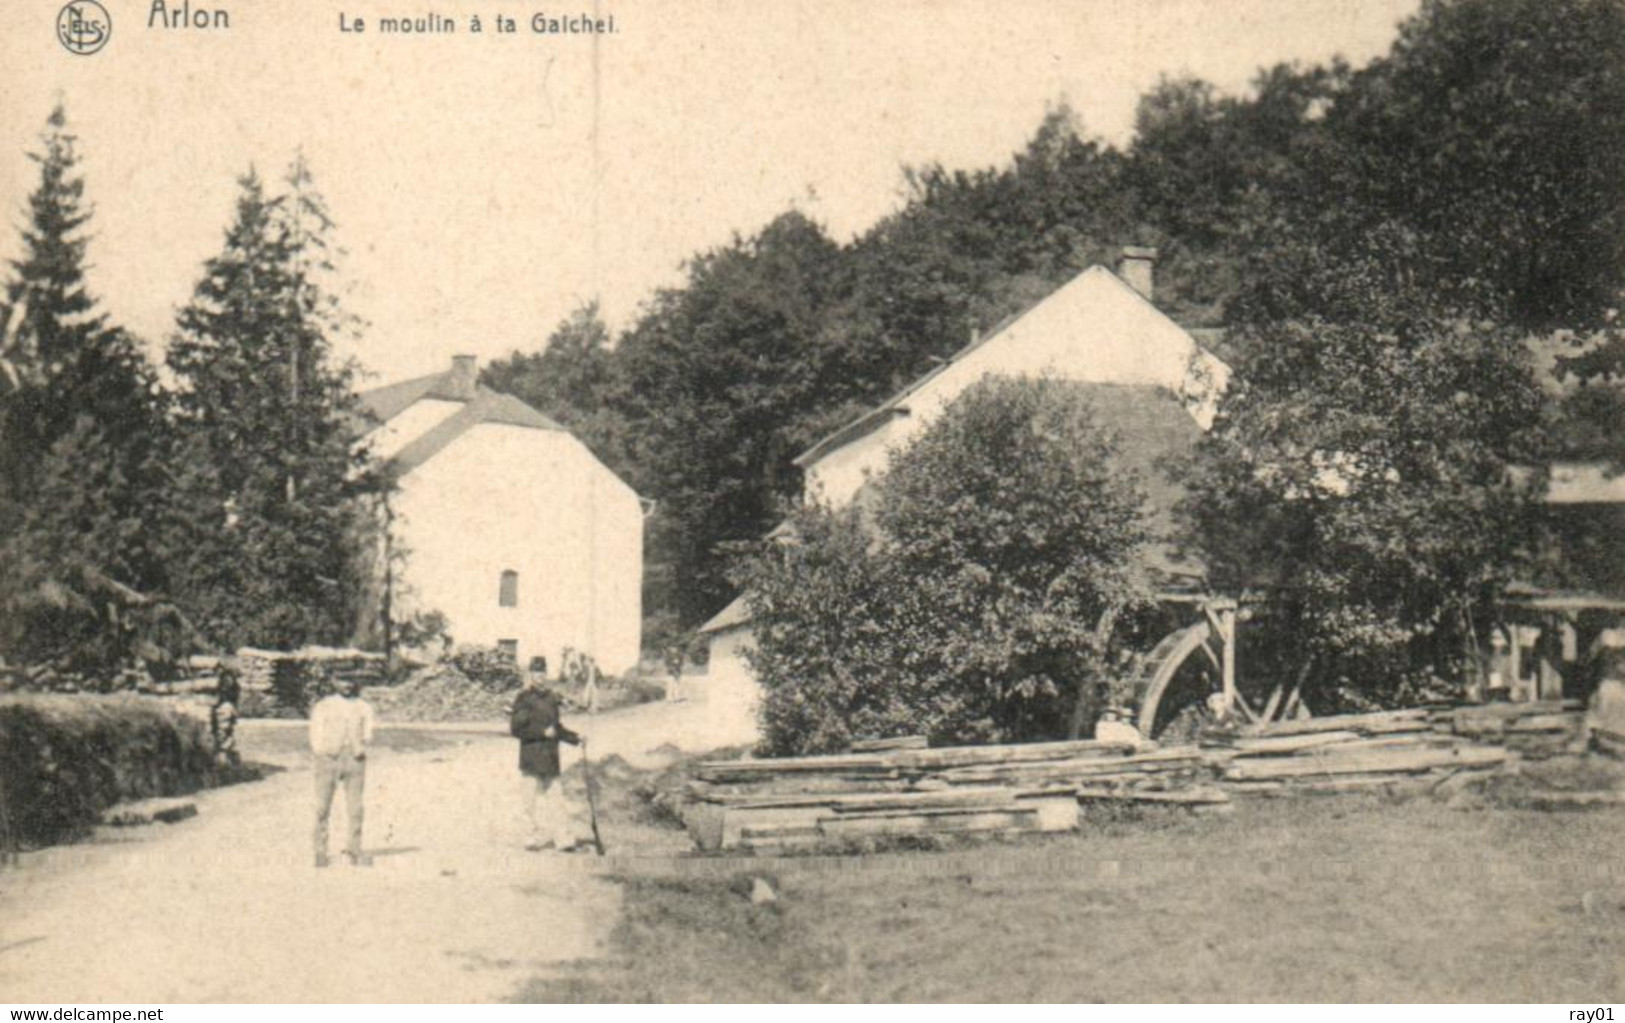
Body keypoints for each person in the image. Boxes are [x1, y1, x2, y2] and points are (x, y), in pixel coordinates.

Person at [510, 659, 584, 852]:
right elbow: (517, 730)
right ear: (530, 676)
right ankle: (531, 837)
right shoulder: (523, 698)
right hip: (531, 756)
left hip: (551, 757)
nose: (540, 676)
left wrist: (576, 738)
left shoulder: (552, 698)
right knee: (529, 801)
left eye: (543, 672)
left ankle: (563, 839)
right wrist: (541, 733)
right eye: (536, 673)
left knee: (557, 800)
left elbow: (556, 728)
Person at [309, 676, 376, 868]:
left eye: (349, 681)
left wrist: (359, 746)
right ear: (334, 683)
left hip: (354, 758)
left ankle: (354, 850)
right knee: (322, 806)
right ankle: (320, 851)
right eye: (341, 681)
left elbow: (369, 732)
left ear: (354, 683)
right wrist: (322, 751)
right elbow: (315, 731)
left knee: (355, 807)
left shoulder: (363, 706)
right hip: (328, 758)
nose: (346, 685)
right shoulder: (324, 705)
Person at [210, 655, 242, 770]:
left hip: (225, 706)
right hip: (220, 706)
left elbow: (232, 696)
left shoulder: (231, 683)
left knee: (225, 728)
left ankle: (226, 757)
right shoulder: (220, 680)